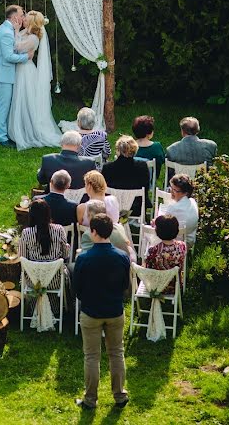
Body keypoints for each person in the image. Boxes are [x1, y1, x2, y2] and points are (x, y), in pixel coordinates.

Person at [73, 214, 130, 410]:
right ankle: (120, 395)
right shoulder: (122, 256)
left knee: (91, 356)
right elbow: (125, 285)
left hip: (91, 312)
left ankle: (90, 399)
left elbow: (77, 289)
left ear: (94, 232)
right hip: (114, 310)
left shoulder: (84, 259)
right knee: (116, 353)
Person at [7, 10, 62, 150]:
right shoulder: (26, 33)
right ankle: (19, 128)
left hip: (26, 71)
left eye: (26, 19)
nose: (23, 19)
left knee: (25, 98)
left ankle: (27, 130)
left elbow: (16, 48)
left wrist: (16, 31)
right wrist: (18, 31)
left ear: (31, 23)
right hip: (21, 68)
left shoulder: (33, 38)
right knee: (20, 98)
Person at [0, 4, 33, 148]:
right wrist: (26, 57)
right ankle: (1, 138)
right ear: (14, 17)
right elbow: (8, 56)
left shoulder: (8, 29)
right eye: (21, 14)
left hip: (2, 72)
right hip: (2, 74)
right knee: (2, 106)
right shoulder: (6, 32)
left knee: (3, 105)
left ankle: (4, 134)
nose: (23, 17)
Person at [101, 135, 150, 209]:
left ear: (118, 150)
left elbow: (103, 189)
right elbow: (146, 187)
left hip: (113, 206)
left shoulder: (107, 167)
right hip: (136, 207)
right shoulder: (142, 166)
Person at [145, 214, 187, 293]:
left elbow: (148, 268)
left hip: (155, 287)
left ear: (158, 232)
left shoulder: (154, 250)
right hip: (175, 286)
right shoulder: (182, 246)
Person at [156, 174, 199, 247]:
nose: (171, 192)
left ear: (185, 193)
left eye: (175, 190)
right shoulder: (193, 202)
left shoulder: (173, 207)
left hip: (175, 242)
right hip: (190, 240)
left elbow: (162, 225)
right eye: (171, 188)